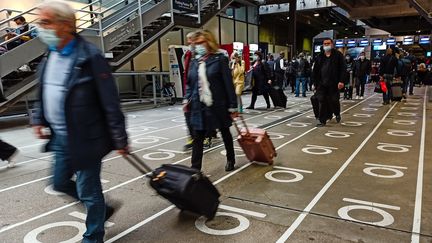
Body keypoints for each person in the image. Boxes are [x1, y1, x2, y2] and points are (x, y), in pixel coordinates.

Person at [31, 2, 129, 242]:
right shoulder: (50, 54)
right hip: (61, 136)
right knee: (59, 182)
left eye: (45, 22)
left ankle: (93, 236)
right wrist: (38, 118)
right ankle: (102, 210)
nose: (39, 28)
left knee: (88, 190)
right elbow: (44, 90)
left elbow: (110, 101)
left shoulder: (90, 57)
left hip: (87, 138)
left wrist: (120, 138)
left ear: (65, 25)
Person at [185, 29, 238, 172]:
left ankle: (230, 159)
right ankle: (195, 169)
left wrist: (233, 106)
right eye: (196, 43)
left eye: (201, 42)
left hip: (218, 105)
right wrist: (186, 99)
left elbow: (228, 84)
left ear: (209, 42)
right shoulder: (194, 62)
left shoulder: (220, 59)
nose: (198, 46)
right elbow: (190, 83)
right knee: (198, 138)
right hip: (199, 106)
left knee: (225, 133)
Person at [312, 38, 345, 127]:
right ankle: (322, 120)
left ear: (332, 44)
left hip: (334, 83)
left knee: (334, 100)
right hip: (322, 84)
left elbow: (343, 69)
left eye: (328, 43)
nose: (326, 45)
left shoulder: (338, 55)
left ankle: (337, 113)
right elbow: (315, 71)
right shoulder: (319, 56)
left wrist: (341, 81)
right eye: (325, 44)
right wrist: (314, 83)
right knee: (321, 100)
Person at [182, 32, 196, 151]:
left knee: (202, 115)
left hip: (200, 91)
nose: (189, 42)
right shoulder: (188, 54)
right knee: (187, 113)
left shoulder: (201, 55)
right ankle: (192, 137)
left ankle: (207, 136)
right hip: (189, 89)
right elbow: (186, 73)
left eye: (191, 39)